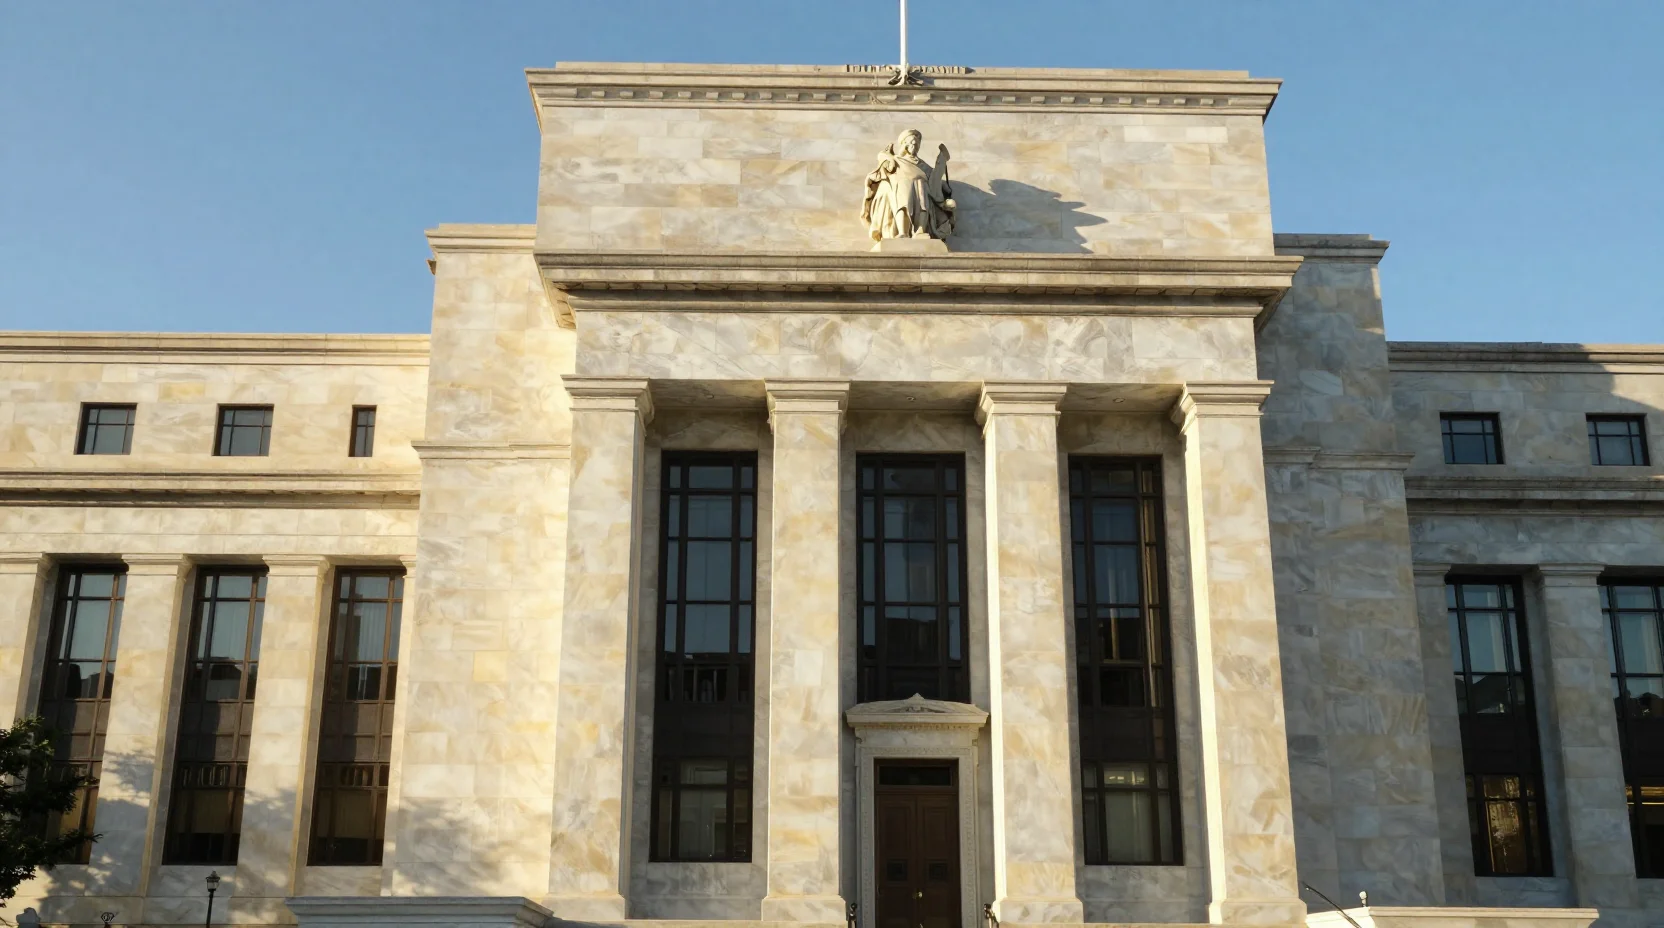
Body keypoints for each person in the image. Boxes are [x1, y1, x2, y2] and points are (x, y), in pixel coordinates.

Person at [860, 129, 955, 242]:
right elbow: (882, 171)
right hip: (901, 187)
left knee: (923, 201)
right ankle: (902, 232)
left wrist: (943, 178)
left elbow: (933, 179)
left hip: (921, 188)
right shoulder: (896, 160)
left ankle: (920, 230)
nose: (915, 146)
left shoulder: (922, 164)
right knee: (903, 202)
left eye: (917, 144)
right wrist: (887, 158)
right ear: (905, 145)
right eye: (912, 143)